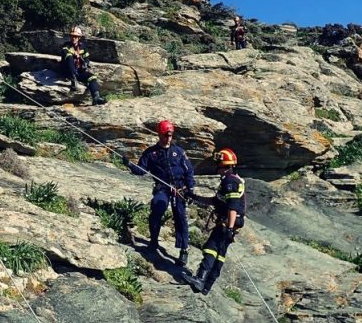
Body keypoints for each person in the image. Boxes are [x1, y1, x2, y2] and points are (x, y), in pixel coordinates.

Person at [123, 120, 195, 266]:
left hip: (180, 189)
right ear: (159, 134)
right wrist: (129, 164)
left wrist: (191, 190)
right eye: (165, 135)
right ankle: (153, 242)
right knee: (156, 208)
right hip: (162, 188)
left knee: (180, 217)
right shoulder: (151, 153)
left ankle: (183, 250)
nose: (168, 138)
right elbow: (140, 171)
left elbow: (189, 171)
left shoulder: (179, 152)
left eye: (170, 135)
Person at [183, 148, 247, 295]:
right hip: (231, 222)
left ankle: (200, 279)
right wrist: (194, 197)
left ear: (223, 165)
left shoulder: (230, 182)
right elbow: (215, 201)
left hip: (228, 222)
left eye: (218, 163)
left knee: (211, 248)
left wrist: (229, 229)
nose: (217, 167)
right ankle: (207, 286)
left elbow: (233, 207)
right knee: (220, 254)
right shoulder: (232, 179)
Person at [60, 26, 107, 105]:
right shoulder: (66, 45)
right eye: (72, 36)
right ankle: (73, 79)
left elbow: (87, 57)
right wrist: (74, 54)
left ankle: (96, 97)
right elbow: (66, 52)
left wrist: (85, 63)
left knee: (92, 77)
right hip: (68, 71)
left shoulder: (82, 47)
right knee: (69, 56)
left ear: (79, 38)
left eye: (75, 37)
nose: (73, 38)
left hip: (79, 71)